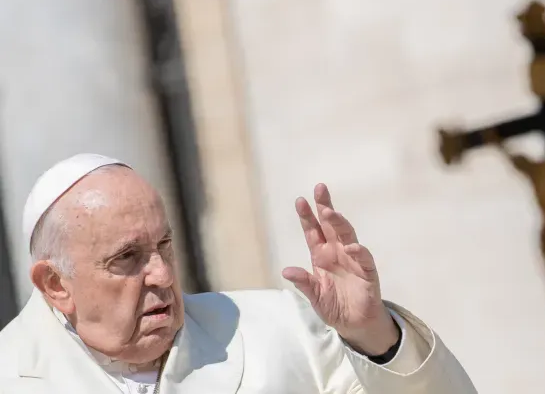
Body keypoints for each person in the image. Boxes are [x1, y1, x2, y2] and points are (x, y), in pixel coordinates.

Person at [0, 153, 477, 393]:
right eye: (128, 258)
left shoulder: (285, 330)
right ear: (56, 285)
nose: (163, 274)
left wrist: (374, 336)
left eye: (165, 245)